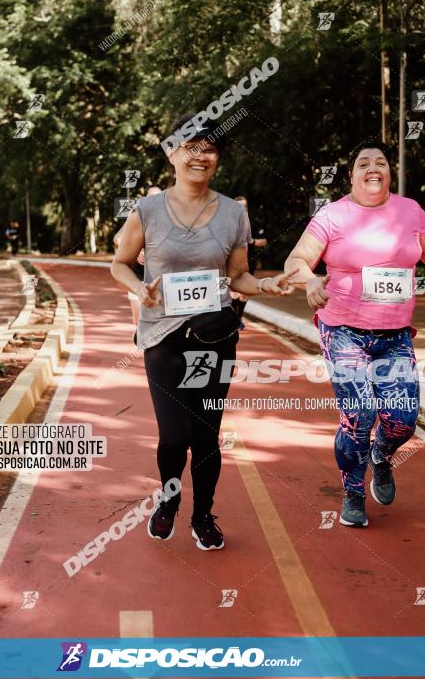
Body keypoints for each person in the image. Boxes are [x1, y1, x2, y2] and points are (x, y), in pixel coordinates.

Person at [111, 114, 297, 550]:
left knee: (206, 434)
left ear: (217, 158)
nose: (200, 155)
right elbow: (119, 263)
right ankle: (168, 501)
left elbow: (239, 277)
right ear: (172, 153)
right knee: (175, 435)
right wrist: (140, 288)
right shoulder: (148, 210)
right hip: (162, 337)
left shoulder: (234, 213)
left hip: (214, 337)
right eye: (189, 147)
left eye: (209, 148)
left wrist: (265, 285)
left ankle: (203, 515)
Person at [284, 141, 425, 528]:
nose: (372, 167)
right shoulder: (332, 216)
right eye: (363, 162)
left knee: (402, 421)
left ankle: (380, 457)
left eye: (380, 162)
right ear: (351, 175)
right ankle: (352, 490)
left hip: (395, 336)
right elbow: (295, 260)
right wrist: (311, 280)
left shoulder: (410, 211)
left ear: (388, 173)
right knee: (360, 413)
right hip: (343, 330)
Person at [113, 187, 162, 327]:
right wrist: (135, 251)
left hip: (160, 277)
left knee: (159, 319)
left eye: (158, 197)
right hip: (138, 277)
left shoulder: (169, 218)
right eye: (151, 197)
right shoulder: (137, 216)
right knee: (138, 320)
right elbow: (117, 238)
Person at [230, 196, 268, 329]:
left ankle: (238, 318)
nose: (241, 209)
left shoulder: (254, 224)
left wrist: (252, 241)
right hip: (232, 263)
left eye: (244, 206)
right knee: (234, 292)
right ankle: (233, 319)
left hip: (249, 262)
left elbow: (264, 241)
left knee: (244, 294)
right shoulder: (229, 223)